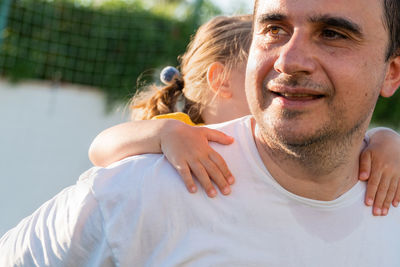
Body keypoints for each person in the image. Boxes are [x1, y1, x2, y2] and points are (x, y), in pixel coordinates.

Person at [1, 1, 400, 265]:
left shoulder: (389, 184)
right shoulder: (143, 189)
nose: (290, 60)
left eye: (333, 33)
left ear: (392, 72)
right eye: (274, 29)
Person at [89, 16, 400, 215]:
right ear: (220, 80)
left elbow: (358, 143)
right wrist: (164, 135)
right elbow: (100, 149)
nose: (285, 67)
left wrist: (387, 141)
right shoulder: (182, 131)